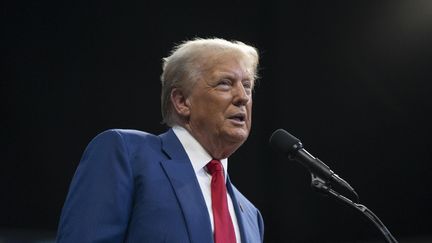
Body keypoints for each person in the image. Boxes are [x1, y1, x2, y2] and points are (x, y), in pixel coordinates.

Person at [56, 37, 264, 243]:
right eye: (225, 84)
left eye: (247, 86)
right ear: (182, 101)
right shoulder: (127, 155)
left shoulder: (251, 216)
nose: (243, 97)